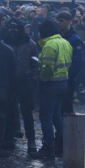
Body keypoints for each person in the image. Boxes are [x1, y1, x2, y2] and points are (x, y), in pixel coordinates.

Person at [31, 20, 72, 159]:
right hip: (63, 83)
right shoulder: (65, 43)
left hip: (50, 85)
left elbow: (47, 69)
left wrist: (39, 75)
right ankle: (64, 143)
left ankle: (48, 147)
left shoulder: (49, 45)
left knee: (46, 117)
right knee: (56, 116)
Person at [3, 19, 39, 153]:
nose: (13, 30)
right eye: (11, 28)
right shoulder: (4, 43)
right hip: (10, 83)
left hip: (25, 82)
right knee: (10, 111)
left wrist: (33, 80)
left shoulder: (31, 44)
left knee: (27, 113)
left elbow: (36, 63)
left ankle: (31, 140)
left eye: (16, 28)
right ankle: (9, 138)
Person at [56, 11, 83, 113]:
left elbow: (78, 62)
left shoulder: (75, 39)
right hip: (59, 78)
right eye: (57, 20)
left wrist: (69, 76)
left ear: (69, 22)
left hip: (68, 79)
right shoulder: (59, 36)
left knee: (66, 108)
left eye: (61, 21)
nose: (59, 23)